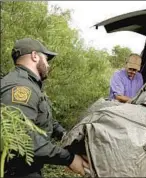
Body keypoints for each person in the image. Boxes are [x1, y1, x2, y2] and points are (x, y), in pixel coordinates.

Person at [1, 38, 89, 177]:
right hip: (17, 173)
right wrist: (69, 159)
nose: (48, 65)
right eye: (46, 59)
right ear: (35, 56)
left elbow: (43, 120)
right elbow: (21, 137)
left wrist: (66, 135)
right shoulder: (21, 88)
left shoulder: (30, 84)